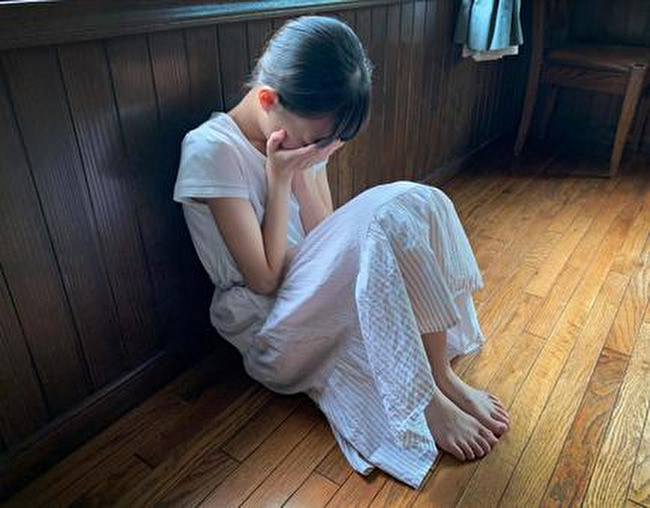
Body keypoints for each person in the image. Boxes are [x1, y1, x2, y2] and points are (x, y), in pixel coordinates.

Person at [173, 14, 510, 490]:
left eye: (330, 144)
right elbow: (264, 279)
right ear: (268, 100)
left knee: (418, 200)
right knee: (388, 211)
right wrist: (280, 178)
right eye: (317, 141)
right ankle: (424, 400)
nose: (322, 151)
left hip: (309, 287)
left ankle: (439, 376)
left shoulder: (303, 139)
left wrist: (308, 165)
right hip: (269, 322)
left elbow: (323, 234)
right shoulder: (212, 149)